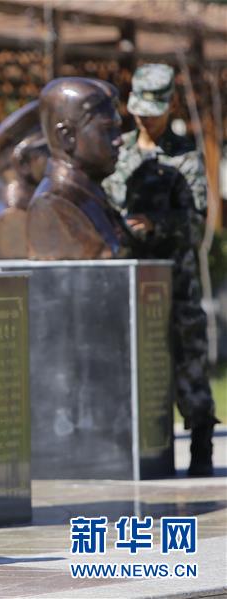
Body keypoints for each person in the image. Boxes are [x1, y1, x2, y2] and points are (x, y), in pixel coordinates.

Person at [102, 64, 218, 475]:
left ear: (169, 107)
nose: (144, 119)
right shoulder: (118, 151)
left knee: (188, 359)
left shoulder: (185, 157)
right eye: (138, 111)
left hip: (175, 279)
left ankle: (201, 443)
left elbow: (196, 224)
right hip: (126, 278)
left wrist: (156, 225)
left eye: (152, 112)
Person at [26, 77, 133, 260]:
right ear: (67, 136)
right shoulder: (53, 204)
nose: (119, 140)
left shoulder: (88, 196)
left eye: (117, 129)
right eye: (107, 129)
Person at [0, 100, 48, 259]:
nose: (52, 159)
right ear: (22, 161)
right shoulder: (15, 216)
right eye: (44, 151)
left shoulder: (36, 206)